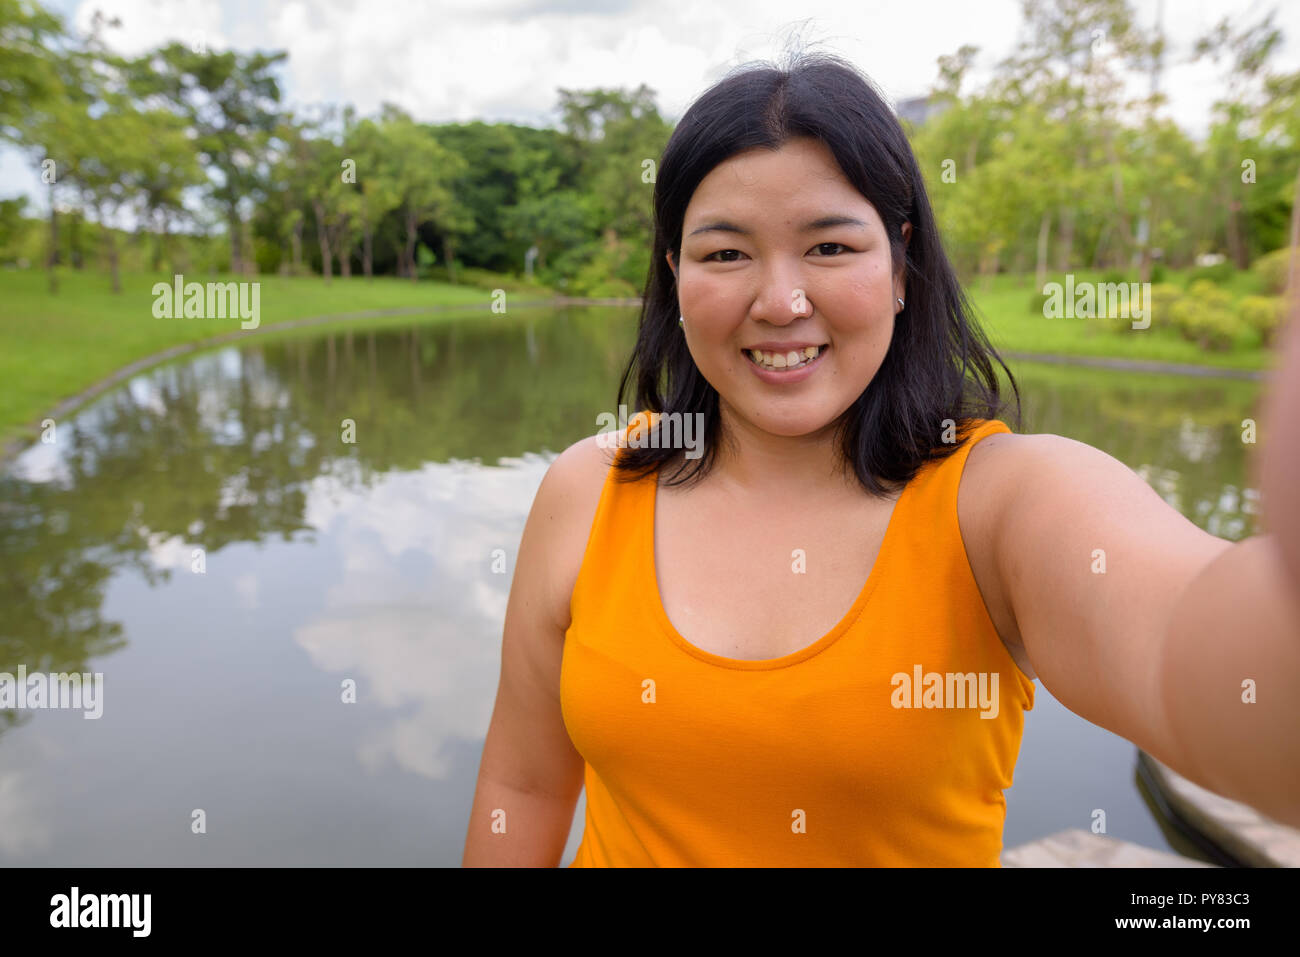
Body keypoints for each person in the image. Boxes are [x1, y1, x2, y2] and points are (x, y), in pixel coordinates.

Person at [463, 51, 1300, 867]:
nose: (781, 301)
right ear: (676, 274)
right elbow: (525, 783)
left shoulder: (1002, 502)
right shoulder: (588, 486)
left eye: (829, 247)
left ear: (901, 262)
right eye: (725, 253)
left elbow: (1202, 654)